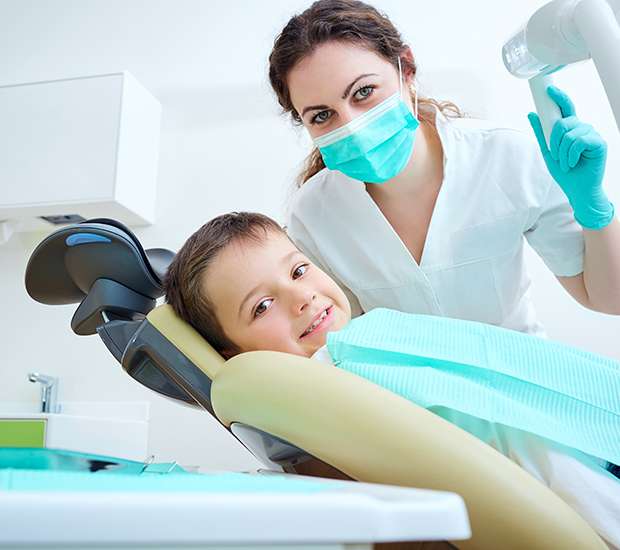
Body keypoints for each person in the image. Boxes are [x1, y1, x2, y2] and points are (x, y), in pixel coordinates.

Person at [164, 211, 619, 548]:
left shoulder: (367, 339)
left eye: (299, 270)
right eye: (261, 307)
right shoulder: (322, 389)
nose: (302, 297)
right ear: (235, 354)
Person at [267, 0, 620, 336]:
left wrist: (593, 208)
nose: (353, 127)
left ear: (407, 69)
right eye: (322, 116)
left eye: (363, 92)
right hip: (398, 383)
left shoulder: (504, 155)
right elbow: (343, 341)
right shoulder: (313, 215)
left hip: (520, 373)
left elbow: (608, 298)